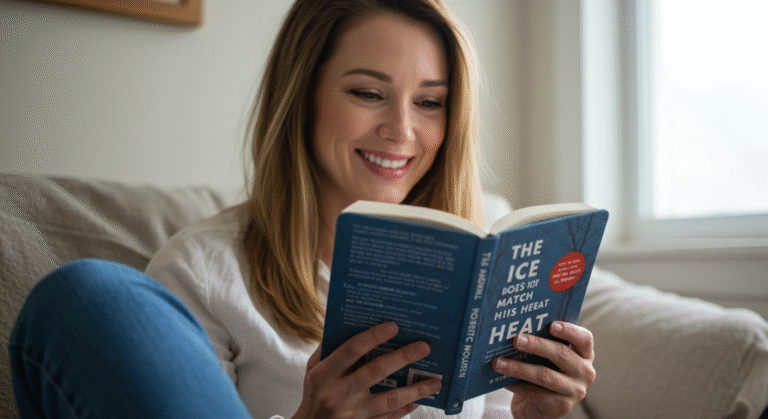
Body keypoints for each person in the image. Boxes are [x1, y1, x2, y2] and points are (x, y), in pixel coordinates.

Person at [8, 0, 596, 418]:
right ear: (303, 97)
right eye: (367, 94)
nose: (402, 131)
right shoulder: (203, 271)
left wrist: (541, 413)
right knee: (91, 294)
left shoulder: (481, 266)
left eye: (431, 103)